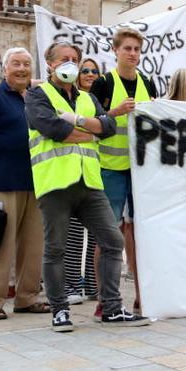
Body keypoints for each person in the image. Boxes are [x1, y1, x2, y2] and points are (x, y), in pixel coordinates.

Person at [27, 42, 150, 331]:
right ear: (49, 64)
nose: (70, 64)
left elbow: (107, 129)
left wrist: (80, 122)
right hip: (56, 183)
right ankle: (60, 310)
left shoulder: (86, 98)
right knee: (55, 249)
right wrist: (89, 131)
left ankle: (111, 307)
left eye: (74, 59)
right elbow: (51, 128)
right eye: (63, 59)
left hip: (90, 183)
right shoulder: (37, 95)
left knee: (112, 241)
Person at [0, 47, 49, 320]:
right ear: (5, 68)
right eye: (16, 64)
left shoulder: (37, 98)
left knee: (33, 246)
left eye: (27, 64)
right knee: (1, 246)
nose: (22, 69)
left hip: (36, 183)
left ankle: (27, 298)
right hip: (1, 182)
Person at [89, 29, 157, 318]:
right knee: (109, 235)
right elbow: (90, 122)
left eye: (136, 49)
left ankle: (144, 297)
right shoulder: (104, 84)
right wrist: (114, 112)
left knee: (142, 234)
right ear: (115, 51)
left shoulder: (148, 83)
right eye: (127, 48)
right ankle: (105, 299)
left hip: (141, 171)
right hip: (110, 169)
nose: (132, 53)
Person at [64, 57, 102, 304]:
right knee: (74, 233)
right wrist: (90, 130)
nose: (89, 74)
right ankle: (70, 285)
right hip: (69, 172)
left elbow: (104, 126)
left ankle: (91, 283)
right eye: (85, 70)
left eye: (94, 71)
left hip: (94, 171)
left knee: (96, 232)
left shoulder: (94, 100)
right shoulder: (68, 97)